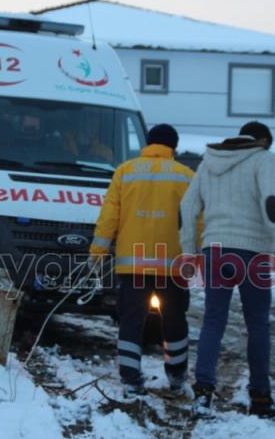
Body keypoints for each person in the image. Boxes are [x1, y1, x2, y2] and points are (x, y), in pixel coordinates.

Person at [180, 121, 275, 419]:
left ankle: (203, 394)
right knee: (257, 324)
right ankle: (260, 398)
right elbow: (271, 202)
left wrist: (189, 250)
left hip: (215, 250)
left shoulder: (209, 161)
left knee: (213, 321)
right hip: (253, 252)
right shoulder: (263, 159)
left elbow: (188, 204)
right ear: (264, 140)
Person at [90, 124, 195, 398]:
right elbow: (198, 221)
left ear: (147, 144)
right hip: (173, 265)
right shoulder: (186, 177)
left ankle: (130, 379)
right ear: (174, 147)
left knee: (131, 320)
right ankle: (176, 375)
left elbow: (109, 217)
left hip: (132, 264)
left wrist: (97, 253)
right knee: (175, 320)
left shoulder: (125, 172)